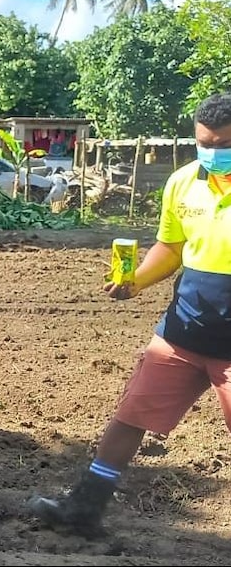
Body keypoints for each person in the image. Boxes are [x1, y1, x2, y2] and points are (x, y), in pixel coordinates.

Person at [29, 93, 231, 532]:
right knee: (131, 415)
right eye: (205, 143)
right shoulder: (182, 182)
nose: (213, 153)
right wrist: (136, 280)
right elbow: (171, 247)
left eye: (224, 144)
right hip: (184, 330)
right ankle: (83, 509)